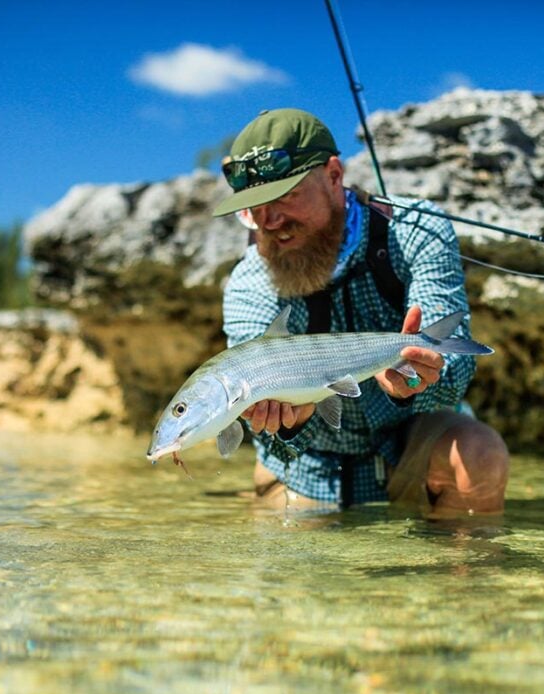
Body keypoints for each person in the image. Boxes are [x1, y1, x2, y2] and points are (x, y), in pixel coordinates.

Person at [212, 108, 508, 517]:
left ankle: (464, 580)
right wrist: (290, 421)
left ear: (334, 175)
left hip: (408, 441)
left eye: (285, 195)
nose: (271, 221)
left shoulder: (415, 230)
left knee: (479, 452)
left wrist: (420, 378)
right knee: (288, 573)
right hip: (306, 467)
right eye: (256, 206)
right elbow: (262, 422)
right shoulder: (249, 280)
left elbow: (453, 372)